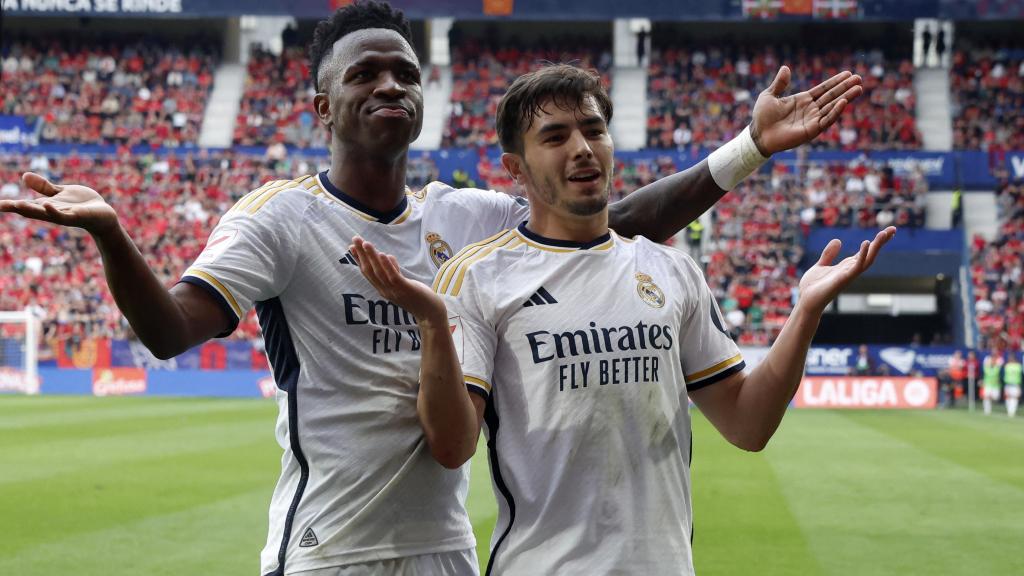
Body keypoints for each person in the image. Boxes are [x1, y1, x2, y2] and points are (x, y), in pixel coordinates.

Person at [0, 2, 863, 574]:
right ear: (318, 104)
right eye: (365, 74)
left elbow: (603, 223)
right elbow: (173, 330)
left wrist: (743, 152)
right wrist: (113, 235)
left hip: (445, 546)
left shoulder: (472, 216)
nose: (389, 86)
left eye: (405, 74)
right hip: (329, 546)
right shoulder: (280, 220)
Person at [349, 64, 894, 575]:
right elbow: (451, 446)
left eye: (593, 130)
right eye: (555, 136)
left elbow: (748, 424)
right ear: (514, 168)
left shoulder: (672, 270)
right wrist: (430, 326)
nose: (583, 148)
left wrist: (804, 313)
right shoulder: (478, 277)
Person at [982, 349, 1003, 416]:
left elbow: (1000, 363)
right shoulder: (986, 367)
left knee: (995, 397)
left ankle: (990, 407)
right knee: (986, 397)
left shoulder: (997, 367)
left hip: (995, 385)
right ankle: (987, 411)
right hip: (988, 384)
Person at [1004, 352, 1021, 417]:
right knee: (1009, 397)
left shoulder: (1009, 366)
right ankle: (1010, 411)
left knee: (1014, 398)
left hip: (1015, 384)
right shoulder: (1018, 366)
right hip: (1009, 383)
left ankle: (1011, 412)